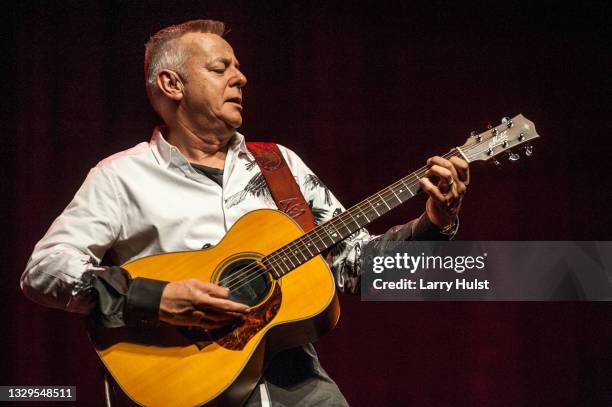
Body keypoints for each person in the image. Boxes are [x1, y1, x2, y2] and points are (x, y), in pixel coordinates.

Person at [21, 19, 469, 406]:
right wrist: (157, 299)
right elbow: (45, 271)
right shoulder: (121, 177)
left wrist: (435, 222)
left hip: (299, 388)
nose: (241, 78)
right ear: (172, 84)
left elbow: (356, 267)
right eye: (220, 69)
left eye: (237, 67)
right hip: (185, 389)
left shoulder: (279, 166)